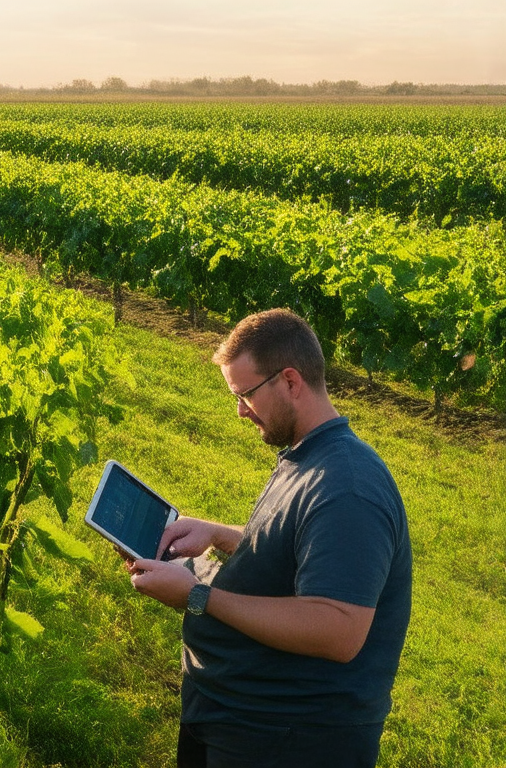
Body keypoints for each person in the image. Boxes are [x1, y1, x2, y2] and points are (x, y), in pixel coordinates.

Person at [123, 308, 412, 768]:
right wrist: (221, 535)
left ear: (291, 381)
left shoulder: (349, 487)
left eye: (245, 395)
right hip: (243, 720)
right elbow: (302, 554)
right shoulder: (308, 455)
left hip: (289, 737)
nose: (239, 410)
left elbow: (338, 627)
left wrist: (199, 597)